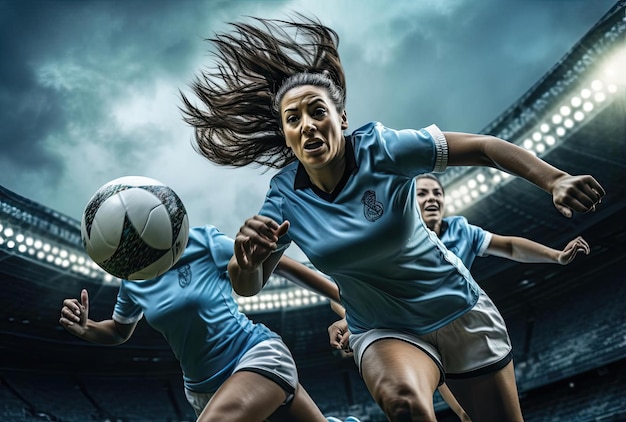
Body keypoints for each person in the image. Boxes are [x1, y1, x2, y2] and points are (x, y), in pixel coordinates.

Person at [181, 16, 605, 421]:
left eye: (317, 111)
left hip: (459, 311)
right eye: (293, 120)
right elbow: (247, 287)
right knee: (405, 404)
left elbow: (482, 146)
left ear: (341, 119)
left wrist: (555, 180)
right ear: (287, 137)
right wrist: (247, 262)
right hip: (384, 330)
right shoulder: (284, 197)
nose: (308, 125)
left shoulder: (382, 149)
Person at [327, 173, 591, 422]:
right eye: (421, 194)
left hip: (459, 332)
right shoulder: (388, 241)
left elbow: (508, 246)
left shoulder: (460, 230)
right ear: (406, 201)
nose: (432, 198)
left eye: (437, 193)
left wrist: (555, 256)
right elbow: (350, 290)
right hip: (414, 337)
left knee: (470, 416)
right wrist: (354, 323)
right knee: (423, 408)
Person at [59, 224, 349, 422]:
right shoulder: (133, 282)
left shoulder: (201, 242)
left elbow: (279, 264)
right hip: (201, 391)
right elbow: (119, 330)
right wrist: (88, 328)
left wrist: (347, 305)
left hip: (253, 356)